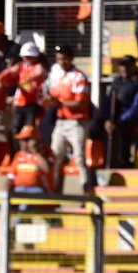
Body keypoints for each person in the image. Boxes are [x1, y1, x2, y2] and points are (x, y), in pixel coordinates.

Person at [43, 44, 92, 193]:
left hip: (77, 122)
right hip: (61, 122)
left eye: (65, 59)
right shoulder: (57, 75)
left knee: (80, 160)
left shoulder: (79, 76)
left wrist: (60, 103)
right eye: (59, 59)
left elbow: (81, 101)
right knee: (55, 158)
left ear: (71, 59)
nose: (62, 62)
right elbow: (53, 95)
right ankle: (55, 194)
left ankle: (87, 193)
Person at [100, 55, 138, 168]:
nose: (124, 69)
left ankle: (124, 161)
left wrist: (119, 121)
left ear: (134, 67)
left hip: (136, 117)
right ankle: (99, 160)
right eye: (122, 66)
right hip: (116, 116)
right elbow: (109, 101)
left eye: (127, 66)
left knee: (125, 127)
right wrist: (107, 119)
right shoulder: (116, 81)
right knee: (95, 125)